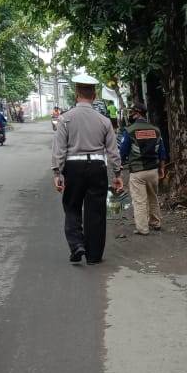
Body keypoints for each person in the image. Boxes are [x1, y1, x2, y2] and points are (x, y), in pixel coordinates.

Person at [52, 73, 124, 265]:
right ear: (94, 95)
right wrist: (117, 174)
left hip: (73, 168)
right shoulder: (104, 121)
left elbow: (59, 149)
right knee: (96, 211)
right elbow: (113, 151)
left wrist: (57, 173)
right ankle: (93, 256)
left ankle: (77, 245)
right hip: (97, 167)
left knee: (72, 206)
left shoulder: (65, 119)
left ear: (76, 94)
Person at [119, 102, 167, 236]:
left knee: (139, 200)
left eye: (132, 112)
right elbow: (162, 151)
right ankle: (156, 223)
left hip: (137, 171)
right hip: (153, 171)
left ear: (137, 113)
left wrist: (120, 165)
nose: (130, 115)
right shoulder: (156, 130)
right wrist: (162, 168)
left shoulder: (130, 130)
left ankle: (142, 228)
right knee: (153, 197)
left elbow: (123, 150)